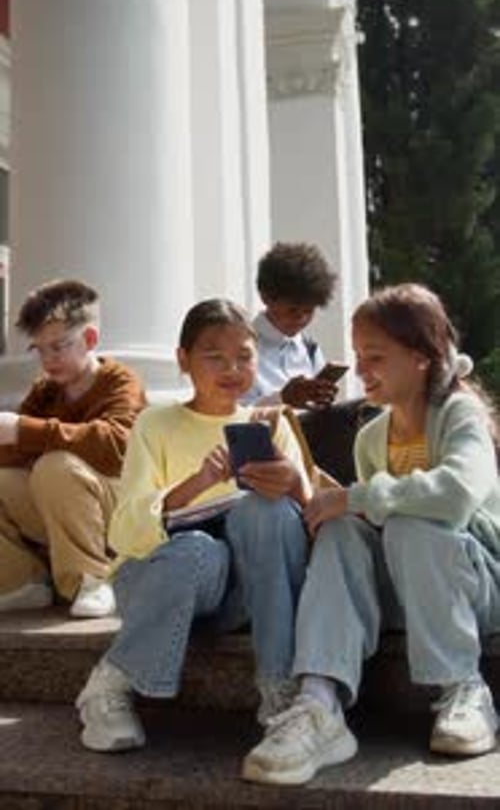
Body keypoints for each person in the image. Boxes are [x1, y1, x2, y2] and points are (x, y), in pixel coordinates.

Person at [244, 282, 500, 785]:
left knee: (408, 521)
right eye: (359, 355)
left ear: (421, 356)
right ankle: (319, 703)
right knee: (343, 530)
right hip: (410, 591)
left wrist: (357, 498)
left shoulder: (457, 413)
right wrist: (331, 507)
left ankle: (462, 686)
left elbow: (455, 496)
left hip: (480, 586)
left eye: (375, 357)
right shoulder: (370, 437)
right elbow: (371, 519)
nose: (360, 370)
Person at [76, 298, 311, 753]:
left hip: (239, 596)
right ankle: (110, 686)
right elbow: (124, 531)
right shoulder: (156, 422)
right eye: (214, 356)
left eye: (244, 356)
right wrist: (198, 483)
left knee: (267, 512)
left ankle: (278, 686)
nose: (232, 368)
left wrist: (293, 488)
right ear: (183, 360)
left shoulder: (269, 425)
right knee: (199, 549)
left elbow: (302, 521)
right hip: (160, 576)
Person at [0, 279, 146, 618]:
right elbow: (19, 450)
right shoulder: (45, 391)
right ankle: (22, 582)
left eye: (59, 346)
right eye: (40, 349)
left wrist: (23, 430)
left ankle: (91, 580)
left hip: (120, 510)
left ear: (90, 339)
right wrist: (13, 435)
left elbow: (114, 445)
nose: (49, 360)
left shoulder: (121, 382)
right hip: (66, 504)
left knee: (56, 466)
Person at [244, 242, 338, 408]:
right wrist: (282, 399)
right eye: (292, 310)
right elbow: (230, 415)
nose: (301, 319)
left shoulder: (310, 349)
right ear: (265, 297)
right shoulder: (242, 348)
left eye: (309, 311)